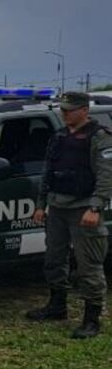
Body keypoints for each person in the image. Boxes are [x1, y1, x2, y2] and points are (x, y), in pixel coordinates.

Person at [26, 91, 112, 338]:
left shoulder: (100, 138)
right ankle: (57, 305)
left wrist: (95, 207)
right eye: (62, 110)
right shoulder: (59, 136)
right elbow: (48, 172)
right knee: (54, 259)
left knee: (89, 265)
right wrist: (41, 204)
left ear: (84, 110)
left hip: (83, 209)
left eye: (69, 110)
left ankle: (92, 318)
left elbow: (107, 177)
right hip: (57, 208)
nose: (64, 114)